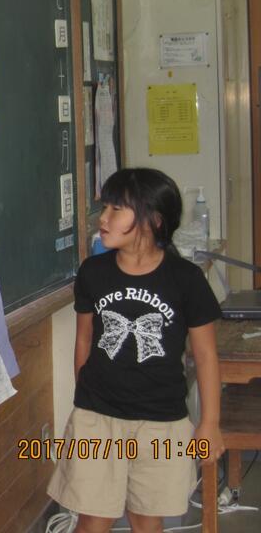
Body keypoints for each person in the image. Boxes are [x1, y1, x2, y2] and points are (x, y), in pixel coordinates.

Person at [46, 168, 225, 533]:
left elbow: (206, 356)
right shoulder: (93, 272)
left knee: (146, 519)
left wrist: (209, 423)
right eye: (105, 208)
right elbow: (84, 339)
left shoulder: (185, 279)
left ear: (153, 220)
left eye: (116, 209)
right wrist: (86, 400)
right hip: (98, 418)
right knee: (93, 520)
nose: (104, 218)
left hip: (161, 420)